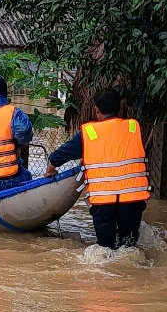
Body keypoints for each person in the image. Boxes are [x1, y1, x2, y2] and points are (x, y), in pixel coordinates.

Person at [45, 89, 150, 249]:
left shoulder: (89, 132)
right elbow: (118, 150)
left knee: (105, 249)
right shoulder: (133, 127)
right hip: (132, 200)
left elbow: (61, 155)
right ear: (119, 108)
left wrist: (50, 168)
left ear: (96, 109)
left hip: (103, 202)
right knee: (129, 247)